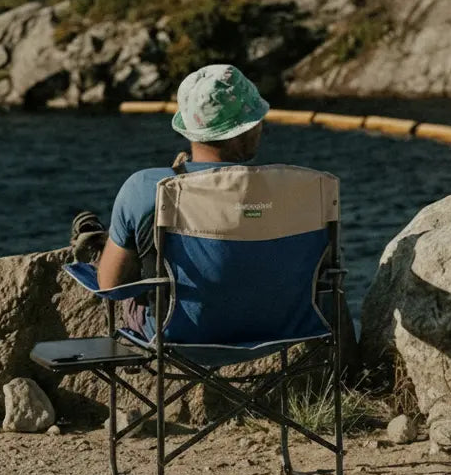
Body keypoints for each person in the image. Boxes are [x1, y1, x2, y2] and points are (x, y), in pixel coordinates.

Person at [70, 63, 359, 370]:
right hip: (287, 330)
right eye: (257, 120)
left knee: (128, 264)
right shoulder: (307, 189)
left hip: (175, 333)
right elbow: (328, 273)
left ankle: (96, 242)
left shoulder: (146, 188)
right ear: (243, 130)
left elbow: (111, 285)